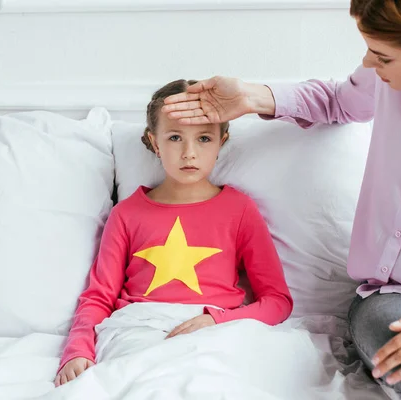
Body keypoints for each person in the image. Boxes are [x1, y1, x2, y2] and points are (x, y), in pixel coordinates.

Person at [161, 1, 401, 398]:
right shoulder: (391, 79)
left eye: (382, 56)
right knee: (386, 334)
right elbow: (339, 100)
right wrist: (250, 96)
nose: (368, 63)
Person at [53, 79, 293, 387]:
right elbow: (99, 297)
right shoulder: (126, 214)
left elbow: (277, 301)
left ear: (222, 141)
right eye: (175, 137)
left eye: (204, 138)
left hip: (215, 328)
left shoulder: (240, 210)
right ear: (155, 142)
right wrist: (77, 350)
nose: (189, 153)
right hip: (140, 326)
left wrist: (215, 321)